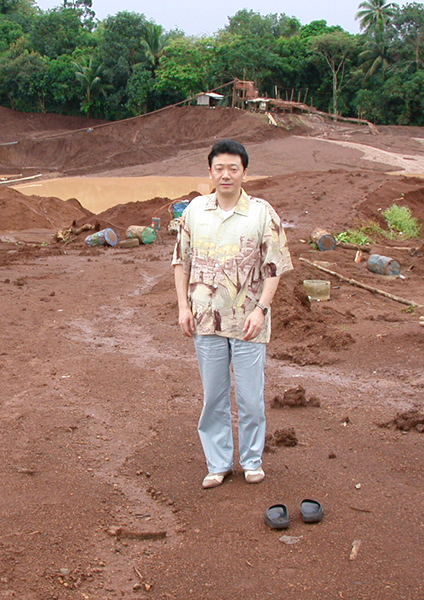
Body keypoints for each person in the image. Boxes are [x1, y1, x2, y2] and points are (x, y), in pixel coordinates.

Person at [172, 139, 293, 489]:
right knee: (214, 396)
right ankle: (218, 462)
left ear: (244, 173)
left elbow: (275, 267)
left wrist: (261, 309)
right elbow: (182, 261)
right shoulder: (194, 211)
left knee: (250, 397)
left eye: (233, 168)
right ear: (210, 171)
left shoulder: (261, 213)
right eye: (219, 168)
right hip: (205, 319)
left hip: (249, 322)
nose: (226, 175)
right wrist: (183, 306)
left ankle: (252, 460)